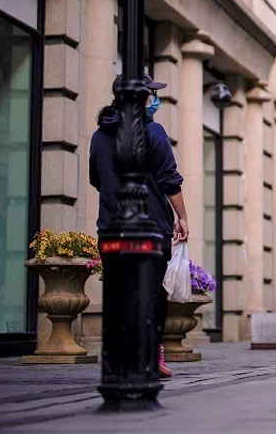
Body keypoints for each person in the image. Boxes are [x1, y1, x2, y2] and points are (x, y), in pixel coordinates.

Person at [90, 74, 189, 380]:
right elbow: (169, 179)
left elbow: (96, 179)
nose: (153, 100)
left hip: (111, 226)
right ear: (140, 98)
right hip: (151, 226)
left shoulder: (99, 136)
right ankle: (149, 356)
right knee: (151, 294)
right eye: (150, 95)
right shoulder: (154, 132)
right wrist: (183, 217)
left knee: (119, 293)